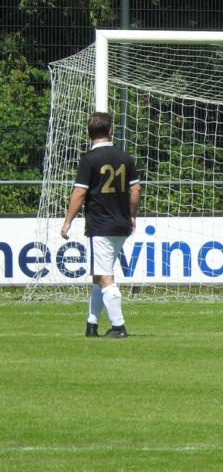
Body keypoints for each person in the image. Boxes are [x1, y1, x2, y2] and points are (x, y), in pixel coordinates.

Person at [59, 111, 142, 338]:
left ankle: (118, 327)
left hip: (101, 224)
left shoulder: (89, 159)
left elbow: (79, 193)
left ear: (89, 133)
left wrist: (67, 222)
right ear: (110, 130)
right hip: (121, 224)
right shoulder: (125, 158)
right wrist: (131, 215)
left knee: (105, 276)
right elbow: (136, 190)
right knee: (99, 274)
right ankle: (91, 325)